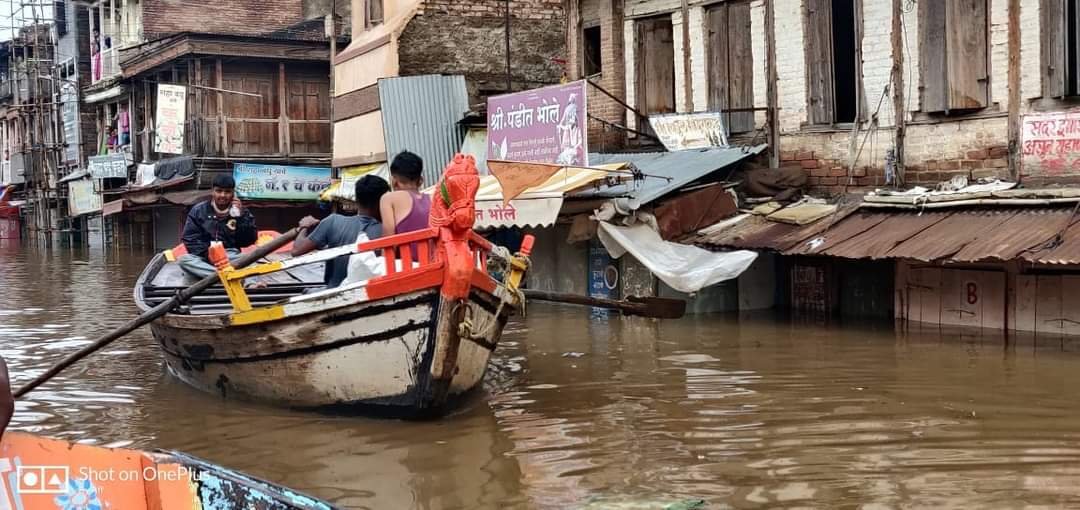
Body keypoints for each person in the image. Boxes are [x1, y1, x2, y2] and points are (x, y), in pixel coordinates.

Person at [292, 175, 390, 289]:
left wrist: (304, 226)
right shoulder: (388, 231)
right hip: (370, 293)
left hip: (333, 292)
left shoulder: (333, 221)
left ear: (356, 199)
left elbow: (296, 250)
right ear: (383, 202)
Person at [178, 174, 259, 280]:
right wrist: (208, 255)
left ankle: (250, 283)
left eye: (227, 192)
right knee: (184, 260)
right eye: (219, 191)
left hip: (230, 256)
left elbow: (249, 240)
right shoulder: (198, 210)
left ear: (233, 193)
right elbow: (190, 239)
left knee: (251, 260)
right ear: (213, 191)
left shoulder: (242, 212)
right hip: (204, 257)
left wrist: (241, 217)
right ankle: (225, 277)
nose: (223, 195)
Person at [379, 151, 431, 237]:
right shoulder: (433, 199)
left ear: (394, 182)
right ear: (421, 180)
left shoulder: (388, 199)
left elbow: (389, 246)